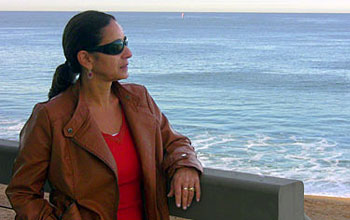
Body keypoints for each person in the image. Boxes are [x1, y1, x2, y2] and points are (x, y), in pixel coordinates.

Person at [6, 10, 203, 220]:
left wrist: (185, 166)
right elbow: (23, 192)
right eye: (116, 47)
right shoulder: (50, 116)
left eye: (125, 42)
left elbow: (175, 142)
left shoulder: (139, 100)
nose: (128, 53)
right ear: (86, 59)